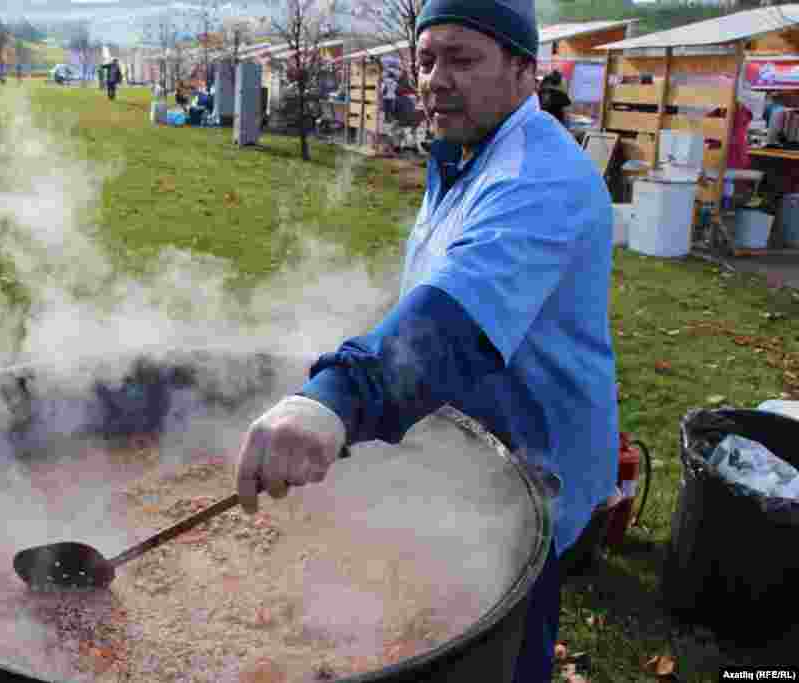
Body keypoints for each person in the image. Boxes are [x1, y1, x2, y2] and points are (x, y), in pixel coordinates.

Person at [232, 0, 618, 680]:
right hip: (465, 450)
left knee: (507, 641)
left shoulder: (541, 178)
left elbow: (452, 322)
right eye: (427, 58)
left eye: (464, 59)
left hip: (535, 473)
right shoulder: (465, 155)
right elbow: (425, 301)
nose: (436, 78)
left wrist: (337, 397)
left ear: (526, 68)